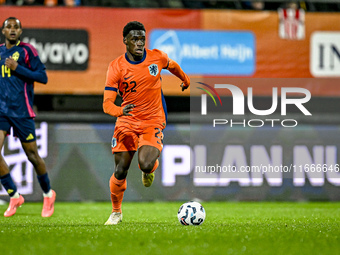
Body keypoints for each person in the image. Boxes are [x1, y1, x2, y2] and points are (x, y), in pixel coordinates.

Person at [103, 21, 190, 225]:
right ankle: (116, 212)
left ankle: (148, 170)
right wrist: (119, 111)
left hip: (152, 120)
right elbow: (107, 103)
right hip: (127, 121)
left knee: (146, 163)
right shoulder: (116, 67)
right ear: (125, 41)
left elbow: (173, 65)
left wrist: (185, 79)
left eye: (142, 38)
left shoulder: (156, 57)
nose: (139, 42)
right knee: (120, 170)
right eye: (134, 39)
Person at [0, 17, 56, 217]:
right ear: (3, 31)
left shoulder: (27, 51)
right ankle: (14, 195)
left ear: (21, 31)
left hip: (22, 112)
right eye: (9, 27)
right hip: (2, 111)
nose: (13, 30)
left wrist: (18, 68)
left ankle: (48, 193)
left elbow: (43, 77)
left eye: (16, 27)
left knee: (32, 155)